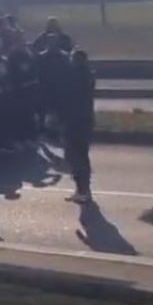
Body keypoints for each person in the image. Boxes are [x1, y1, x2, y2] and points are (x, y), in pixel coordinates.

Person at [60, 49, 96, 204]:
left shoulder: (75, 77)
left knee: (75, 155)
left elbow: (68, 98)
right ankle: (83, 188)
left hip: (75, 121)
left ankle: (82, 189)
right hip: (85, 119)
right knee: (81, 154)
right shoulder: (88, 75)